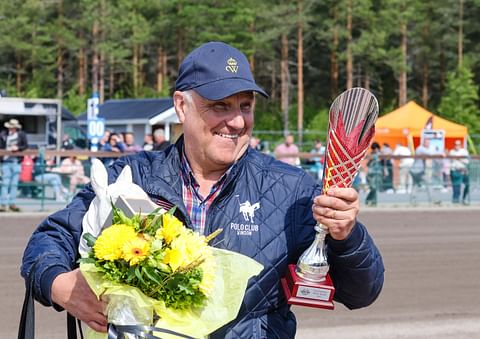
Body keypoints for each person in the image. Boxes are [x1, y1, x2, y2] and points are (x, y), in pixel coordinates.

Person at [21, 41, 384, 338]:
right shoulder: (131, 176)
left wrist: (345, 236)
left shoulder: (293, 189)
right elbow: (49, 240)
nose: (238, 121)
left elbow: (362, 292)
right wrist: (60, 285)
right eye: (220, 106)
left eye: (246, 105)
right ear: (182, 106)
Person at [0, 118, 28, 212]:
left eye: (13, 127)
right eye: (10, 127)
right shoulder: (3, 134)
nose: (11, 129)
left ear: (16, 128)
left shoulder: (21, 134)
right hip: (5, 161)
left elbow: (26, 146)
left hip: (16, 161)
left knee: (14, 184)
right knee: (5, 183)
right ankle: (3, 204)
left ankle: (12, 203)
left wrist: (18, 148)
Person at [449, 139, 469, 204]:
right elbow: (451, 161)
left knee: (467, 184)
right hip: (455, 170)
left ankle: (464, 198)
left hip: (463, 170)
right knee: (456, 186)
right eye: (455, 144)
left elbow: (466, 161)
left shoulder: (464, 151)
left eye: (458, 144)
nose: (456, 146)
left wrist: (458, 158)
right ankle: (455, 200)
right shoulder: (452, 151)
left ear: (461, 145)